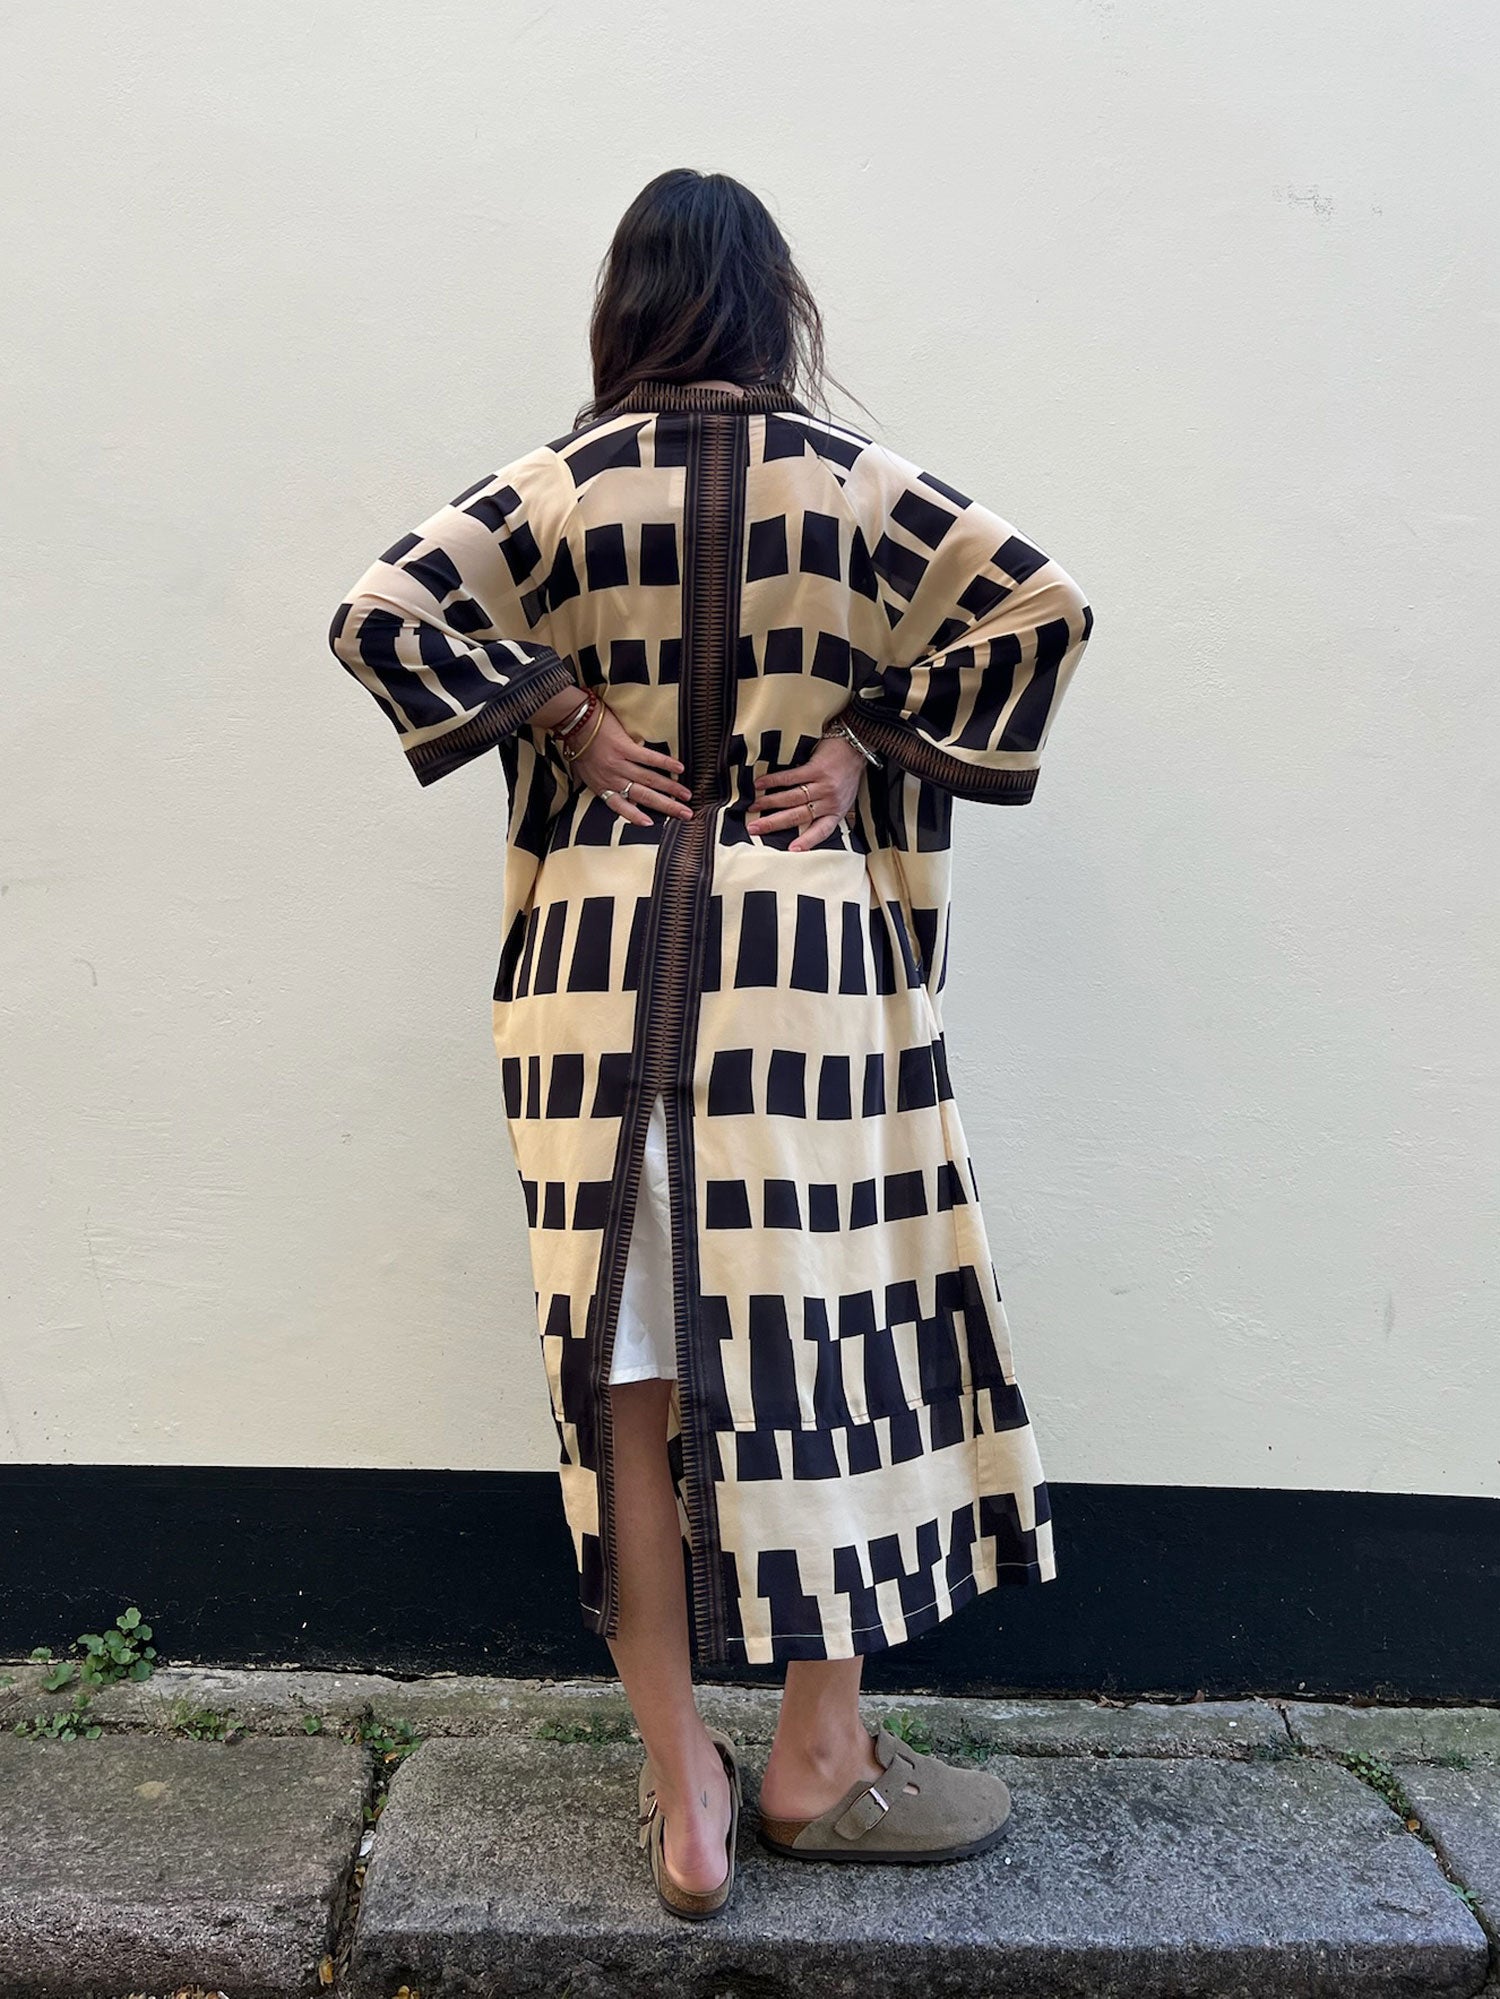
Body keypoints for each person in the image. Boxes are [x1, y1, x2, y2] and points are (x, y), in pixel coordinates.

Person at [327, 167, 1094, 1919]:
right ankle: (819, 1756)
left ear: (627, 304)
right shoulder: (853, 484)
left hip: (594, 980)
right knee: (826, 1336)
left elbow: (381, 610)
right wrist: (867, 744)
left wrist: (563, 712)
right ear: (772, 306)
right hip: (800, 980)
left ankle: (689, 1804)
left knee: (629, 1382)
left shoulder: (559, 486)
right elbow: (1038, 604)